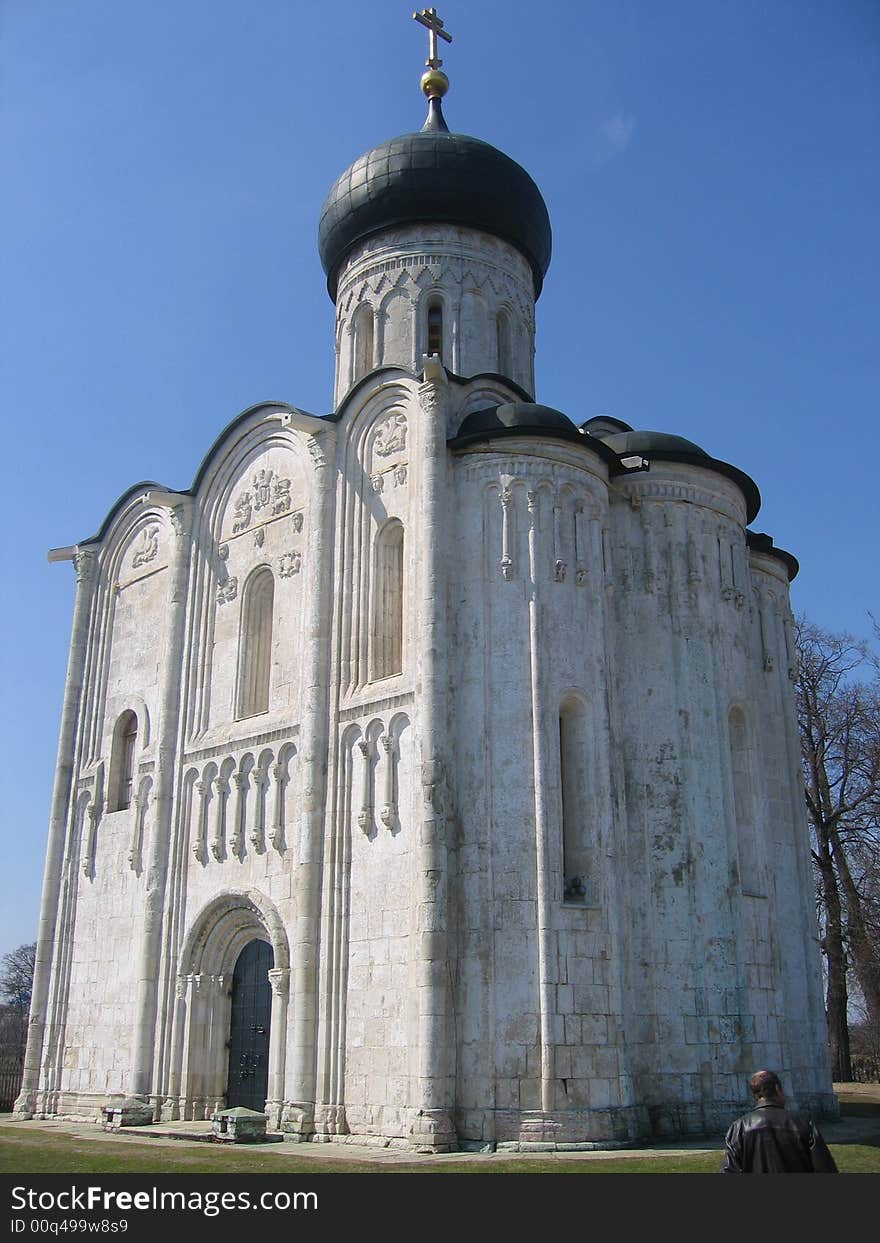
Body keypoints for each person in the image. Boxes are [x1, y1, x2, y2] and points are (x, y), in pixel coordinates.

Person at [720, 1070, 839, 1173]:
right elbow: (825, 1168)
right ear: (777, 1088)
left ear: (755, 1094)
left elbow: (730, 1170)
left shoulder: (738, 1127)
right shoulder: (803, 1123)